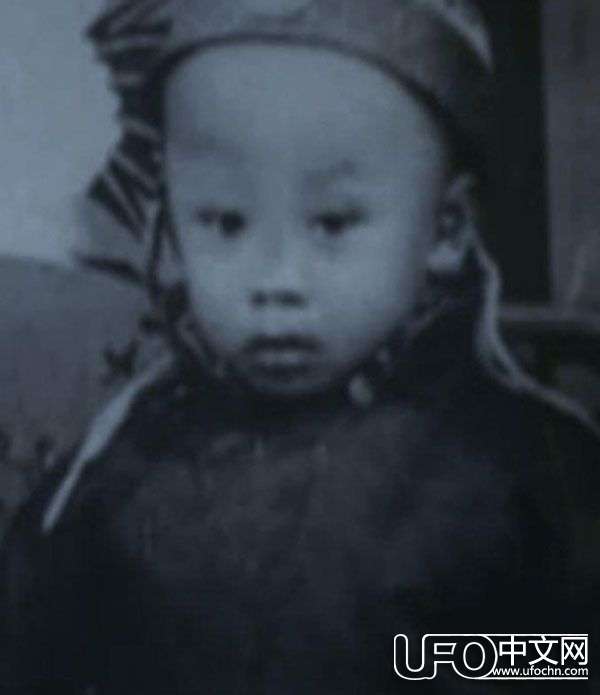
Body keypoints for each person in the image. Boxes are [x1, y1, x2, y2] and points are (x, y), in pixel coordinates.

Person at [1, 1, 599, 693]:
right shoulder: (121, 458)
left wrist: (429, 662)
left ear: (446, 229)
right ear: (171, 220)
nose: (276, 280)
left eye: (333, 223)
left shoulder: (528, 469)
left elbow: (572, 656)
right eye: (225, 221)